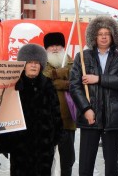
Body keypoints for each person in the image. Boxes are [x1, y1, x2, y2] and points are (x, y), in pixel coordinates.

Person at [69, 16, 118, 176]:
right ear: (94, 36)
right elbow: (74, 86)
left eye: (107, 33)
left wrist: (98, 79)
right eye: (100, 33)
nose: (103, 36)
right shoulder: (83, 57)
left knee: (112, 165)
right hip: (90, 117)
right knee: (85, 165)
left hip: (113, 117)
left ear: (113, 37)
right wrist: (86, 109)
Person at [0, 43, 63, 176]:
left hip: (43, 147)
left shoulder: (48, 84)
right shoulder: (13, 85)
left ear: (41, 65)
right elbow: (5, 115)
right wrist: (5, 142)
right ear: (23, 64)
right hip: (20, 146)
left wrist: (54, 138)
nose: (33, 65)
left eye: (37, 62)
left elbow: (56, 113)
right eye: (30, 62)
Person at [43, 32, 76, 176]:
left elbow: (76, 83)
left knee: (67, 159)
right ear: (46, 48)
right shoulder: (41, 63)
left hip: (67, 120)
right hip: (47, 120)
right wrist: (63, 76)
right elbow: (46, 81)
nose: (55, 49)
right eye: (51, 46)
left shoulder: (73, 62)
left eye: (58, 45)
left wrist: (56, 77)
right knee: (46, 158)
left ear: (63, 47)